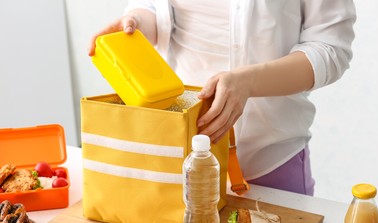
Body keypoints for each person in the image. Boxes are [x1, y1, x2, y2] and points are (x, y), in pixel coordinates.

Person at [88, 0, 356, 196]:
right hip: (175, 153)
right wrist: (137, 23)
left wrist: (249, 82)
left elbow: (331, 49)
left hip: (268, 159)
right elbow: (157, 9)